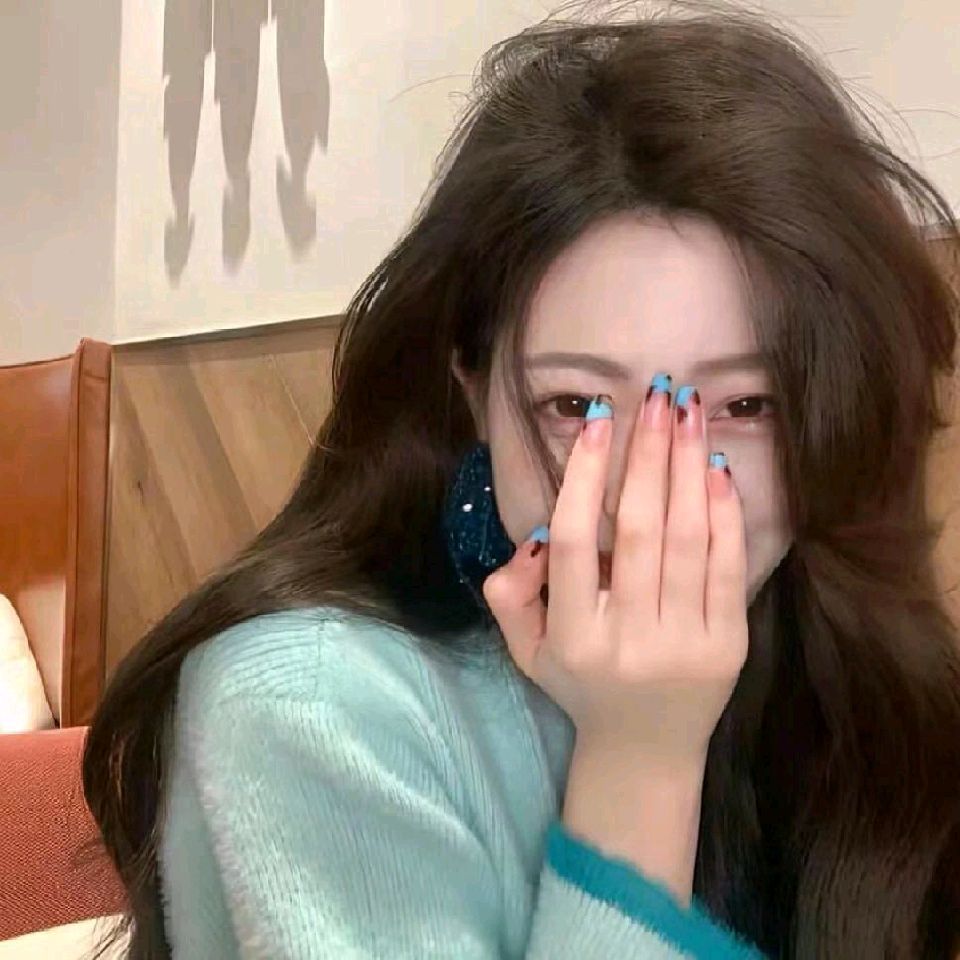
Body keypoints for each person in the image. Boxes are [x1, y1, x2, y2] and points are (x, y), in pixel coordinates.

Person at [82, 2, 960, 957]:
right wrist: (641, 759)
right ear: (472, 390)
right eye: (576, 405)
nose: (639, 493)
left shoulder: (832, 648)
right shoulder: (308, 701)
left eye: (747, 405)